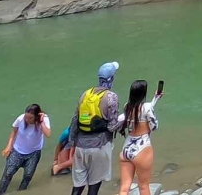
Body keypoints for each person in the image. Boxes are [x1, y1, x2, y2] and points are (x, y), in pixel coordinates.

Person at [68, 61, 121, 195]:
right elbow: (112, 126)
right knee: (93, 187)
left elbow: (75, 120)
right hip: (99, 146)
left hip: (80, 146)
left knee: (77, 186)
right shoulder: (111, 97)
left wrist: (72, 142)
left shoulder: (85, 95)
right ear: (112, 78)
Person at [117, 79, 163, 195]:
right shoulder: (147, 108)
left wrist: (155, 99)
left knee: (124, 188)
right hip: (142, 148)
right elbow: (154, 126)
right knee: (144, 187)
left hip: (126, 149)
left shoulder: (127, 107)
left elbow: (140, 111)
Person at [0, 103, 51, 194]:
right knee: (8, 173)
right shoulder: (20, 119)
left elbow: (48, 134)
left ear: (36, 116)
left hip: (33, 153)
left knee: (28, 175)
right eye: (26, 117)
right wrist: (8, 146)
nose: (27, 120)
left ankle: (21, 192)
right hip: (17, 151)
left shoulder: (44, 119)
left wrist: (41, 122)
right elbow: (14, 132)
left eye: (30, 118)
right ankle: (0, 193)